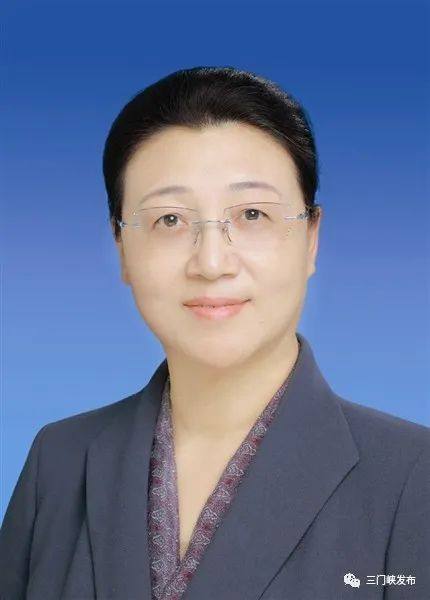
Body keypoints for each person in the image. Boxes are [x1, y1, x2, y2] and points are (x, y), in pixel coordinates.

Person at [0, 66, 429, 600]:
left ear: (311, 238)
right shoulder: (59, 462)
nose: (211, 262)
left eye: (252, 214)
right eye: (170, 220)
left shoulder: (415, 477)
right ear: (121, 247)